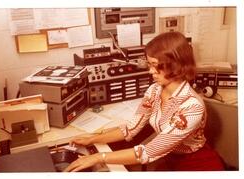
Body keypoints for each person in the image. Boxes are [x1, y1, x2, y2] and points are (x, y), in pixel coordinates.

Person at [64, 31, 224, 172]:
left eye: (156, 66)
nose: (150, 71)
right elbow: (130, 129)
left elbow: (148, 152)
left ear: (176, 65)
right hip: (170, 159)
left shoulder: (191, 106)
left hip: (197, 164)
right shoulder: (154, 90)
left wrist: (98, 157)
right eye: (149, 64)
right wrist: (91, 139)